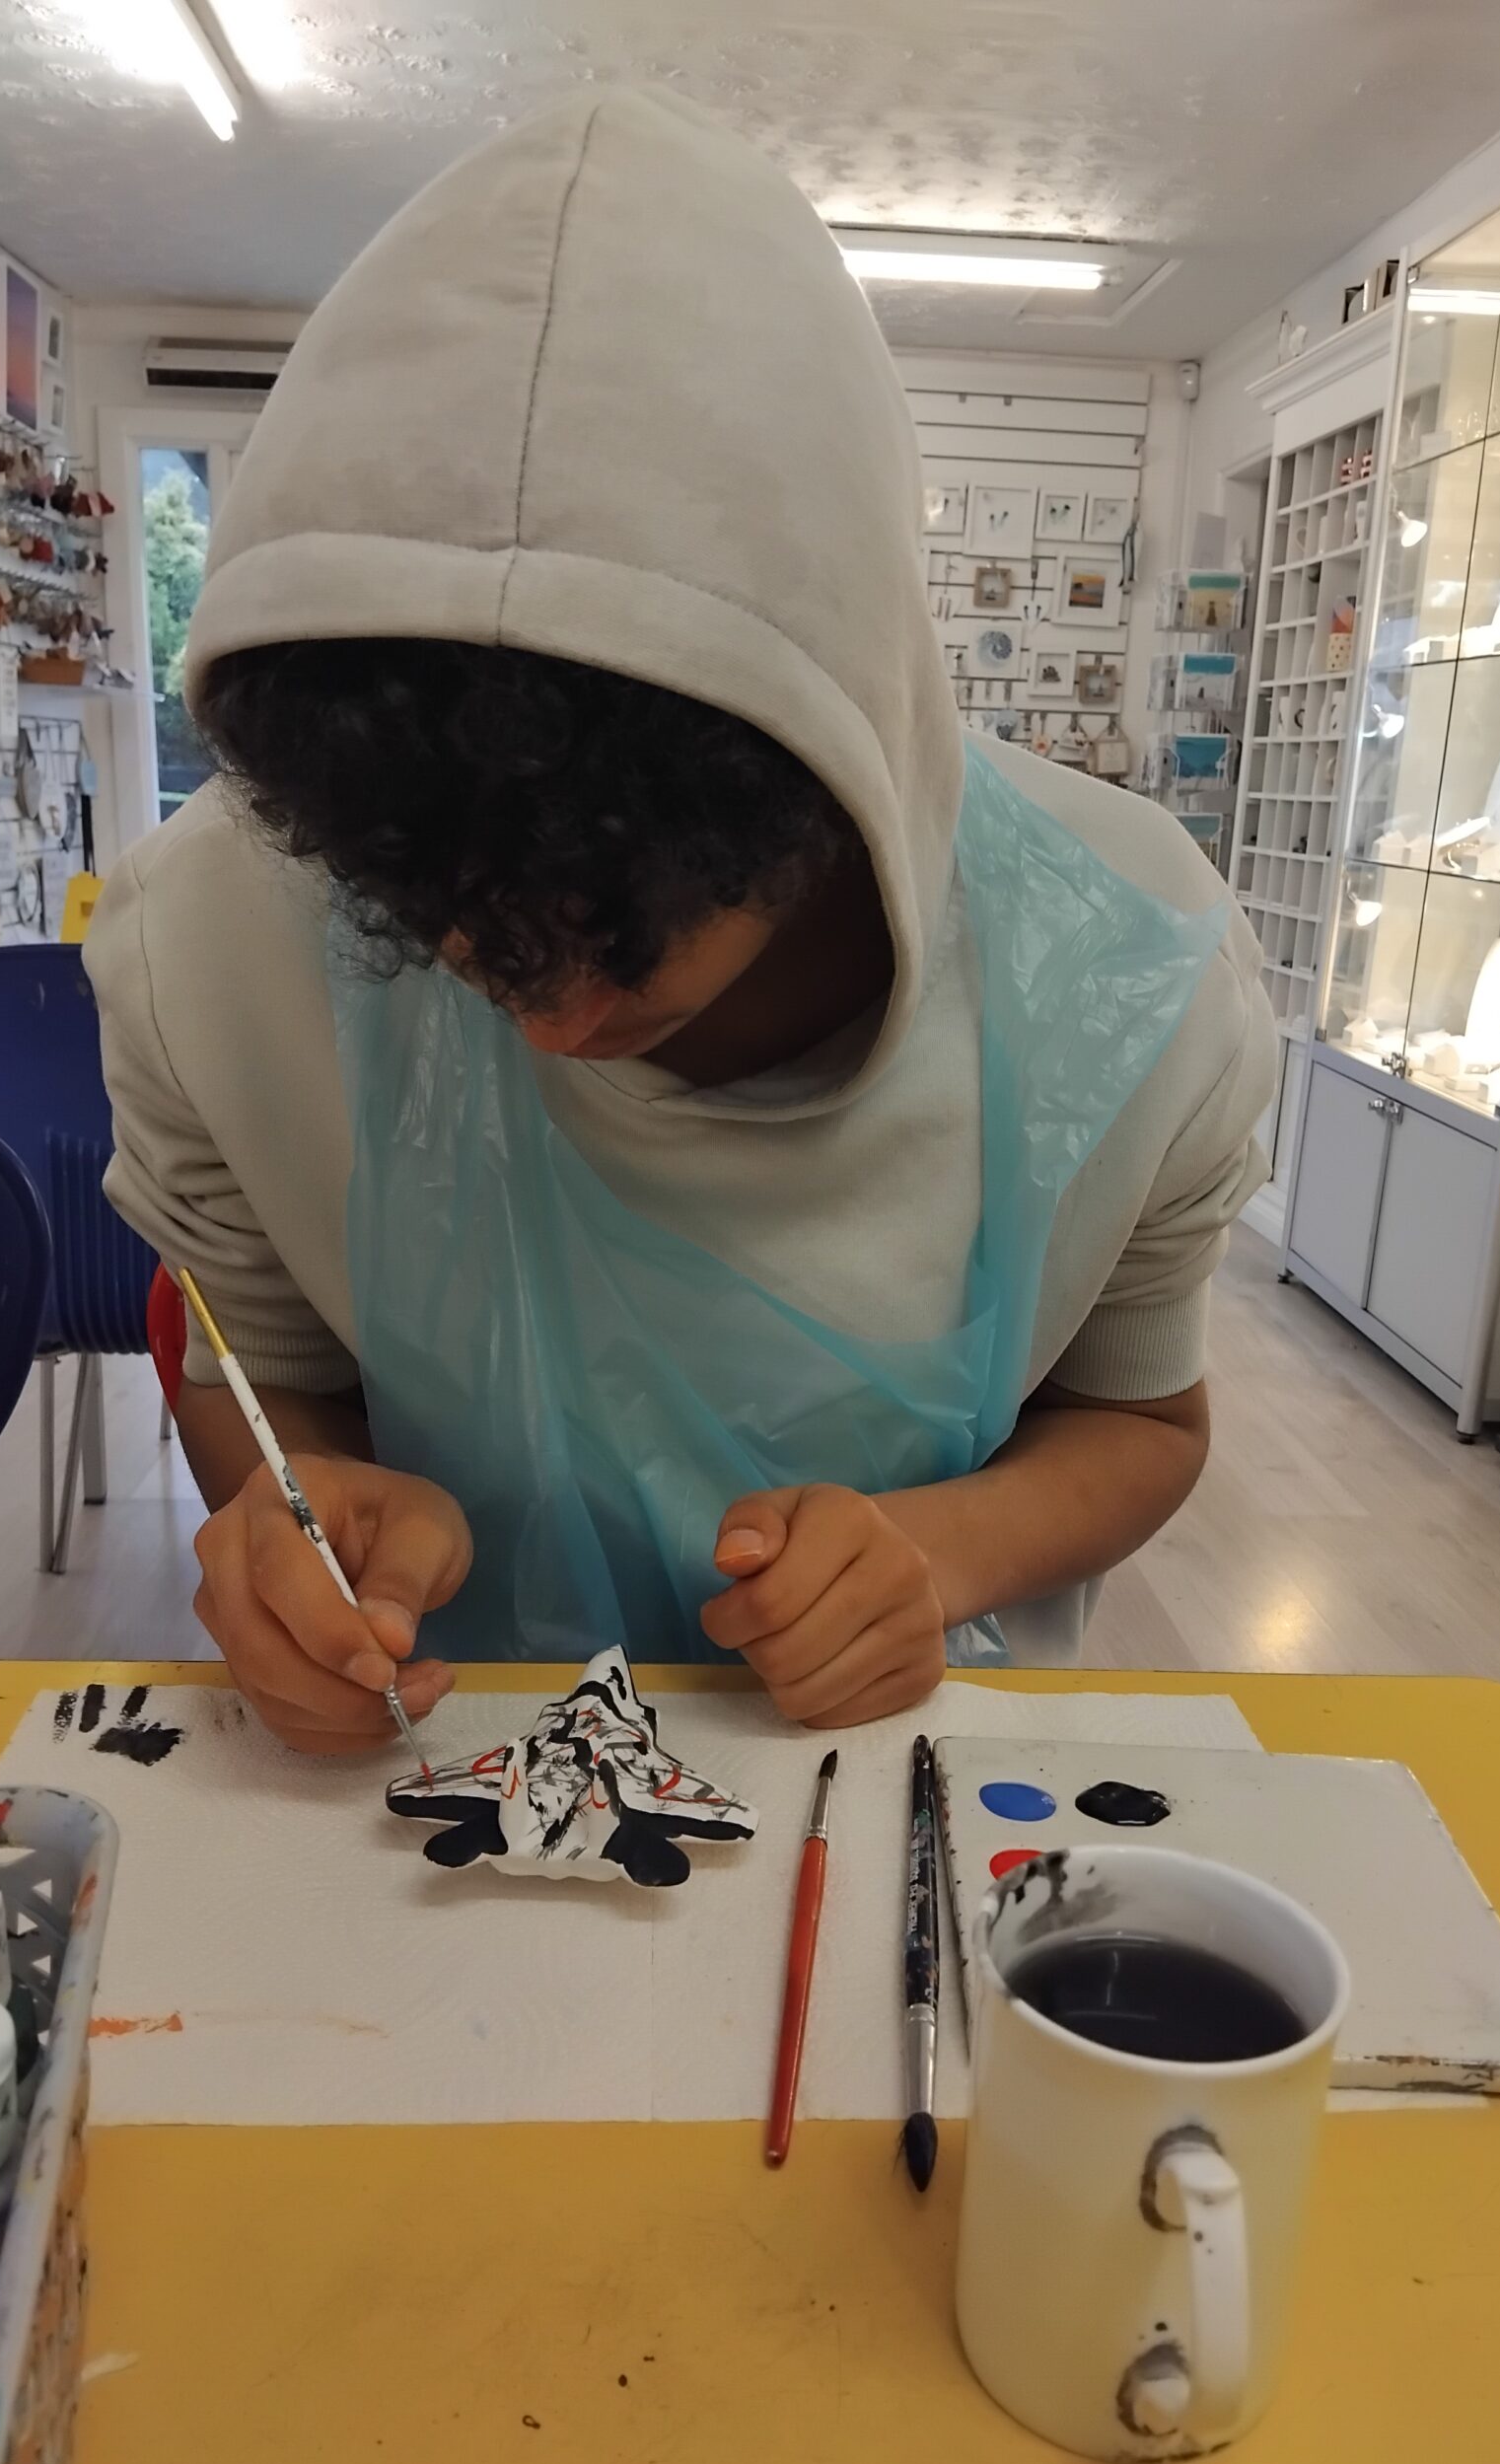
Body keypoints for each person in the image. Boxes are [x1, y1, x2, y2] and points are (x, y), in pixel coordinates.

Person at [87, 90, 1273, 1757]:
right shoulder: (211, 951)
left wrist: (936, 1554)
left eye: (617, 933)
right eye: (444, 927)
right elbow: (258, 1377)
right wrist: (306, 1511)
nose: (552, 1024)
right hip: (443, 1768)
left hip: (888, 1779)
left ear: (815, 783)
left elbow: (1142, 1419)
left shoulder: (1135, 981)